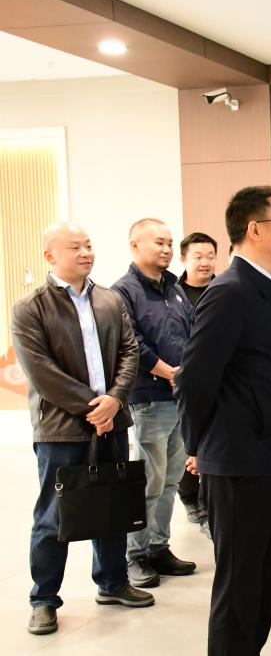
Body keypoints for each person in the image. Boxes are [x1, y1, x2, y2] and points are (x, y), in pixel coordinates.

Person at [175, 185, 271, 656]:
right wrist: (199, 446)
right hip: (239, 462)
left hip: (266, 457)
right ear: (254, 229)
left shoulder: (265, 290)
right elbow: (194, 379)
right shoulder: (230, 292)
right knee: (239, 587)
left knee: (262, 581)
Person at [13, 223, 154, 636]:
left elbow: (129, 351)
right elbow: (40, 371)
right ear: (50, 256)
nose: (85, 252)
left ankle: (112, 583)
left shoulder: (109, 299)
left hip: (112, 422)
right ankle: (43, 599)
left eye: (88, 245)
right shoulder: (31, 307)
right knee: (53, 515)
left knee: (112, 504)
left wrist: (115, 399)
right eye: (75, 247)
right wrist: (94, 407)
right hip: (61, 427)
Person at [112, 219, 197, 588]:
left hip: (181, 397)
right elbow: (131, 342)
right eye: (158, 242)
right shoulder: (124, 291)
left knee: (172, 479)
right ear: (135, 245)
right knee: (150, 479)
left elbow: (192, 333)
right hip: (150, 398)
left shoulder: (174, 288)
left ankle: (159, 547)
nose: (166, 249)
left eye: (170, 243)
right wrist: (168, 372)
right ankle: (136, 555)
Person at [175, 231, 217, 533]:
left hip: (217, 384)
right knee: (184, 444)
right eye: (198, 256)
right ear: (184, 259)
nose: (205, 262)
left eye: (210, 256)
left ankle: (206, 506)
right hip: (180, 382)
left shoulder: (224, 291)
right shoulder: (173, 294)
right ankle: (189, 495)